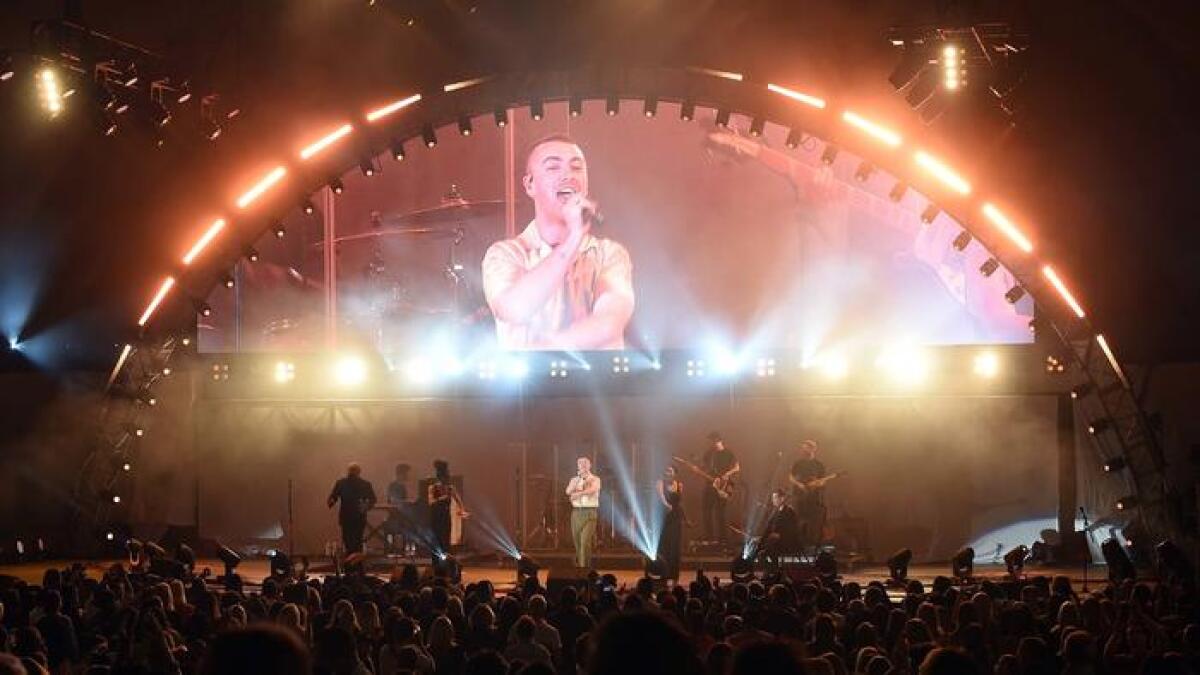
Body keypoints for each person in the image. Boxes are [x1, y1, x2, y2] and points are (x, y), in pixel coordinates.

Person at [482, 133, 635, 350]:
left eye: (576, 168)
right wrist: (573, 239)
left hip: (598, 382)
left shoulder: (609, 254)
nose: (568, 176)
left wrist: (540, 355)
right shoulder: (505, 254)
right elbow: (514, 310)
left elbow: (608, 324)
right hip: (528, 385)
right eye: (553, 168)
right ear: (529, 185)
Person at [327, 463, 377, 557]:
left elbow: (333, 497)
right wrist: (365, 507)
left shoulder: (342, 483)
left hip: (348, 516)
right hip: (357, 516)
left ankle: (351, 561)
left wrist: (331, 502)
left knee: (349, 540)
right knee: (356, 540)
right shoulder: (364, 484)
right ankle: (355, 562)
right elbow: (373, 499)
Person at [699, 432, 739, 547]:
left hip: (723, 485)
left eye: (713, 441)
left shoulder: (728, 453)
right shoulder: (708, 454)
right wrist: (698, 469)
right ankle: (709, 537)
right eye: (710, 442)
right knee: (706, 510)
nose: (712, 444)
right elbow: (704, 468)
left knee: (720, 512)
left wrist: (727, 474)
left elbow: (737, 467)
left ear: (719, 440)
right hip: (710, 484)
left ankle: (722, 538)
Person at [788, 439, 827, 549]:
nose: (804, 450)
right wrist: (799, 484)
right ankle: (798, 543)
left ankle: (812, 544)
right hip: (799, 496)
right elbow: (791, 477)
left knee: (813, 521)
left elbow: (823, 480)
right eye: (803, 447)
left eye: (806, 447)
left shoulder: (819, 465)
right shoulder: (798, 463)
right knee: (799, 519)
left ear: (813, 449)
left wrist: (817, 484)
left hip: (814, 497)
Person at [564, 456, 601, 568]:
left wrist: (578, 494)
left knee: (585, 542)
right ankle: (586, 567)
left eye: (585, 463)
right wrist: (576, 483)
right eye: (580, 464)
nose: (583, 465)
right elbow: (568, 491)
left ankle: (582, 569)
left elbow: (592, 490)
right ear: (578, 466)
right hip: (576, 513)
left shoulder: (595, 479)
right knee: (578, 544)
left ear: (589, 465)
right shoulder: (574, 480)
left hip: (590, 513)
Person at [427, 460, 467, 561]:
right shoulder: (433, 488)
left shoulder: (450, 488)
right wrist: (444, 497)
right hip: (435, 519)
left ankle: (446, 564)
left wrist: (462, 511)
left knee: (446, 542)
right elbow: (431, 502)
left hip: (445, 518)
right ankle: (436, 564)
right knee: (436, 542)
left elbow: (459, 501)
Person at [655, 466, 685, 580]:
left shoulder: (679, 485)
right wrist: (667, 505)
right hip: (664, 516)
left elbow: (680, 502)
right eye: (666, 471)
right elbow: (661, 496)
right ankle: (663, 571)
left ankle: (674, 574)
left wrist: (684, 518)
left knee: (674, 545)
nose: (667, 473)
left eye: (670, 471)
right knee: (664, 543)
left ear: (674, 473)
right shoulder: (660, 483)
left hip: (675, 517)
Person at [758, 489, 800, 571]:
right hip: (775, 542)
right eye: (773, 498)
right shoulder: (775, 511)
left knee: (771, 545)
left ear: (782, 498)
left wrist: (780, 535)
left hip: (787, 541)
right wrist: (761, 538)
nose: (773, 500)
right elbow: (768, 527)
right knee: (762, 551)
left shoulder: (789, 511)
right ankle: (773, 570)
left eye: (775, 498)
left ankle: (774, 570)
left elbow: (792, 529)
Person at [385, 463, 413, 555]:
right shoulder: (395, 485)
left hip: (400, 514)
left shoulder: (400, 485)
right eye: (406, 473)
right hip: (396, 514)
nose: (407, 476)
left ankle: (401, 548)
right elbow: (393, 500)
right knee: (394, 530)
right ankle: (393, 549)